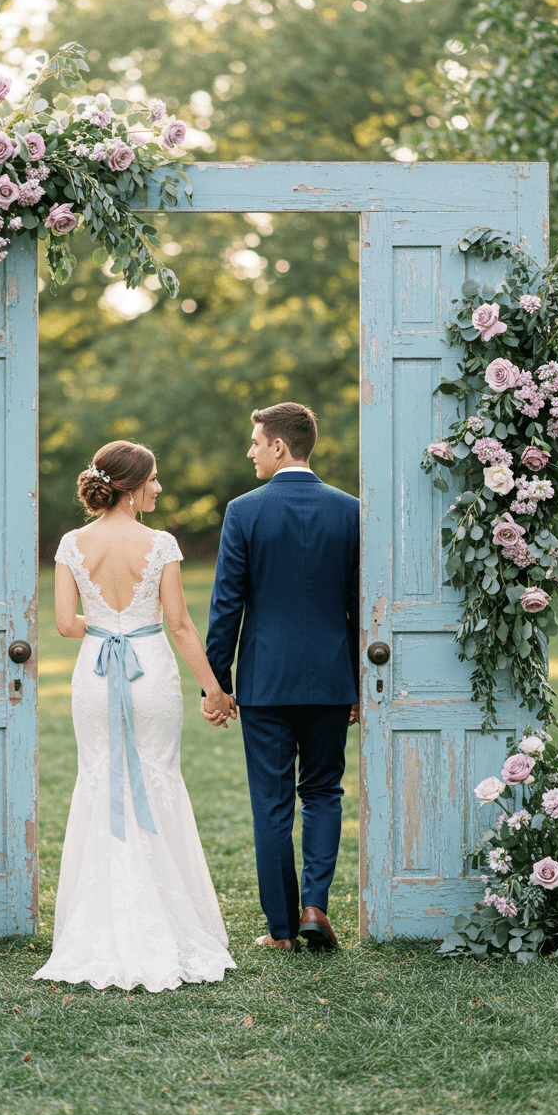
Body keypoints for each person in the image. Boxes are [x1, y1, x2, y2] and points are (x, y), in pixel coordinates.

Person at [32, 440, 236, 992]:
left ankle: (95, 929)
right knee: (157, 779)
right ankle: (168, 925)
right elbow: (181, 626)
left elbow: (65, 625)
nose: (159, 488)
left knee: (99, 778)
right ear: (130, 484)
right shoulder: (161, 543)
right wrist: (215, 691)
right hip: (150, 670)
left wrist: (104, 624)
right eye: (153, 479)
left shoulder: (72, 544)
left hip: (95, 672)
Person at [203, 403, 359, 952]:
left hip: (266, 682)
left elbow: (227, 606)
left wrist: (216, 685)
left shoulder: (244, 512)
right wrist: (358, 681)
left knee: (272, 803)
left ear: (279, 446)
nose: (249, 451)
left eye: (255, 442)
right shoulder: (351, 511)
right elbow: (358, 606)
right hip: (331, 679)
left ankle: (282, 931)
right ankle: (315, 905)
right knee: (322, 792)